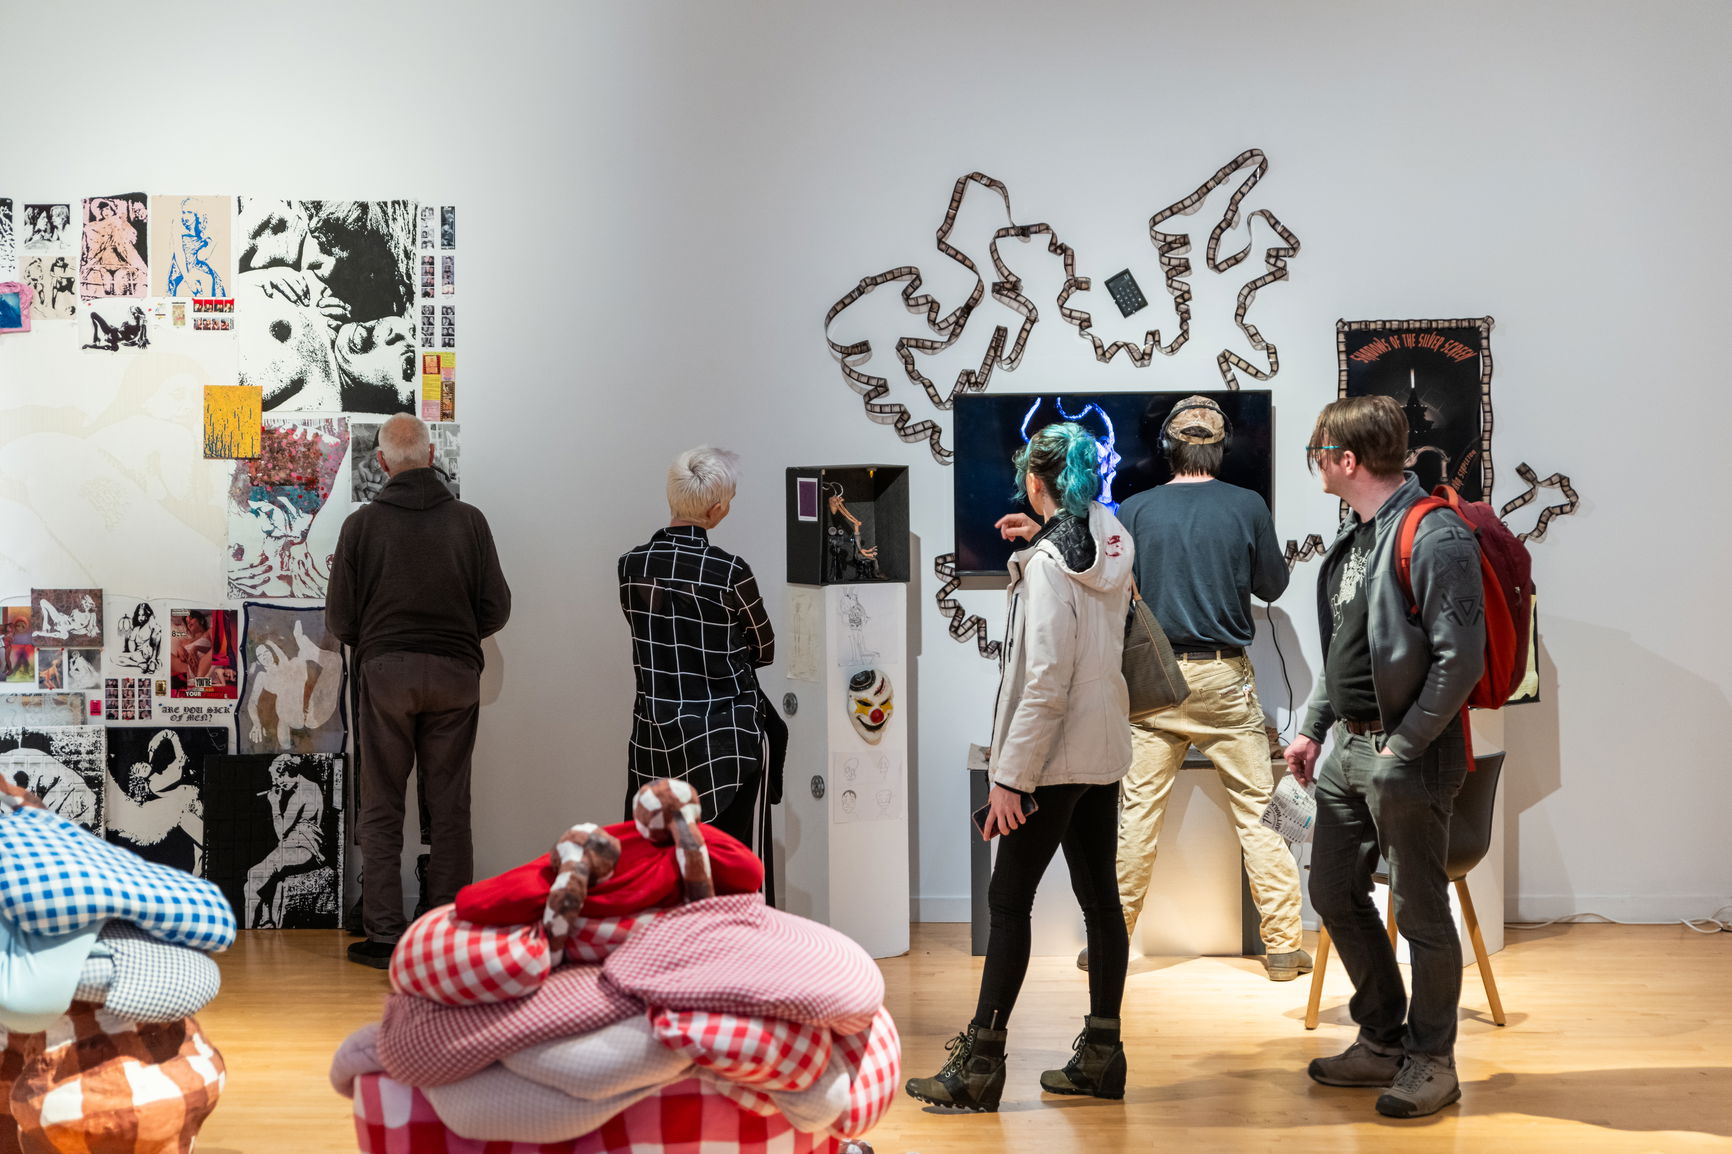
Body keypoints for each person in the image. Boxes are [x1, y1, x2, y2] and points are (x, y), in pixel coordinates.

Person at [904, 422, 1135, 1113]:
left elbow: (1045, 681)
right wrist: (1036, 536)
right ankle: (1102, 1056)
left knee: (1008, 904)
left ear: (1036, 482)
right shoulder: (1112, 540)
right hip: (1103, 749)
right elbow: (1088, 623)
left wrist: (1011, 778)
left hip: (1053, 758)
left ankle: (981, 1064)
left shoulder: (1044, 568)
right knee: (1100, 902)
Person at [1284, 394, 1485, 1119]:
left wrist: (1404, 745)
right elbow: (1347, 647)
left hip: (1411, 754)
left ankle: (1434, 1060)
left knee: (1420, 910)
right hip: (1348, 749)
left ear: (1345, 459)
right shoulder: (1359, 534)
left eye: (1320, 453)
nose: (1316, 465)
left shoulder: (1435, 536)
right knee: (1334, 889)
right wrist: (1314, 726)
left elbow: (1460, 659)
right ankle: (1382, 1037)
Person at [1072, 395, 1309, 980]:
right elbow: (1273, 587)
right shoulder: (1247, 504)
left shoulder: (1134, 509)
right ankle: (1282, 948)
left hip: (1153, 679)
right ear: (1220, 448)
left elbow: (1110, 589)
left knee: (1136, 815)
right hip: (1225, 678)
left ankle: (1110, 944)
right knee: (1260, 814)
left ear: (1167, 448)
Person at [327, 413, 510, 968]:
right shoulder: (470, 522)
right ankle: (447, 933)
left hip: (386, 675)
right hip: (456, 674)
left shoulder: (361, 527)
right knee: (450, 804)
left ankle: (385, 934)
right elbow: (496, 608)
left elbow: (341, 620)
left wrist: (385, 645)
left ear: (381, 463)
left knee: (381, 802)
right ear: (432, 456)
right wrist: (453, 639)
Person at [618, 446, 780, 852]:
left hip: (655, 740)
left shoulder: (631, 567)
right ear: (717, 509)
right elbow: (765, 648)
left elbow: (652, 637)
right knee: (725, 866)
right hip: (725, 744)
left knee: (654, 864)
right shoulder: (730, 572)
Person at [243, 754, 329, 928]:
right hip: (300, 846)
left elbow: (281, 832)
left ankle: (247, 930)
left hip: (303, 849)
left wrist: (274, 804)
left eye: (277, 779)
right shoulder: (310, 787)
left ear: (286, 773)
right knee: (265, 878)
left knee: (252, 878)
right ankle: (267, 920)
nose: (277, 784)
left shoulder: (301, 794)